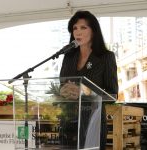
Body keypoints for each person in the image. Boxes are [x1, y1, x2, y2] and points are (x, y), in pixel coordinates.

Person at [59, 10, 118, 150]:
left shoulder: (106, 57)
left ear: (94, 31)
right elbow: (61, 86)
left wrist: (85, 93)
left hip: (93, 124)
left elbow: (113, 95)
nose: (78, 32)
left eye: (83, 27)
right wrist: (63, 91)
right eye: (75, 28)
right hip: (68, 122)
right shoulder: (68, 57)